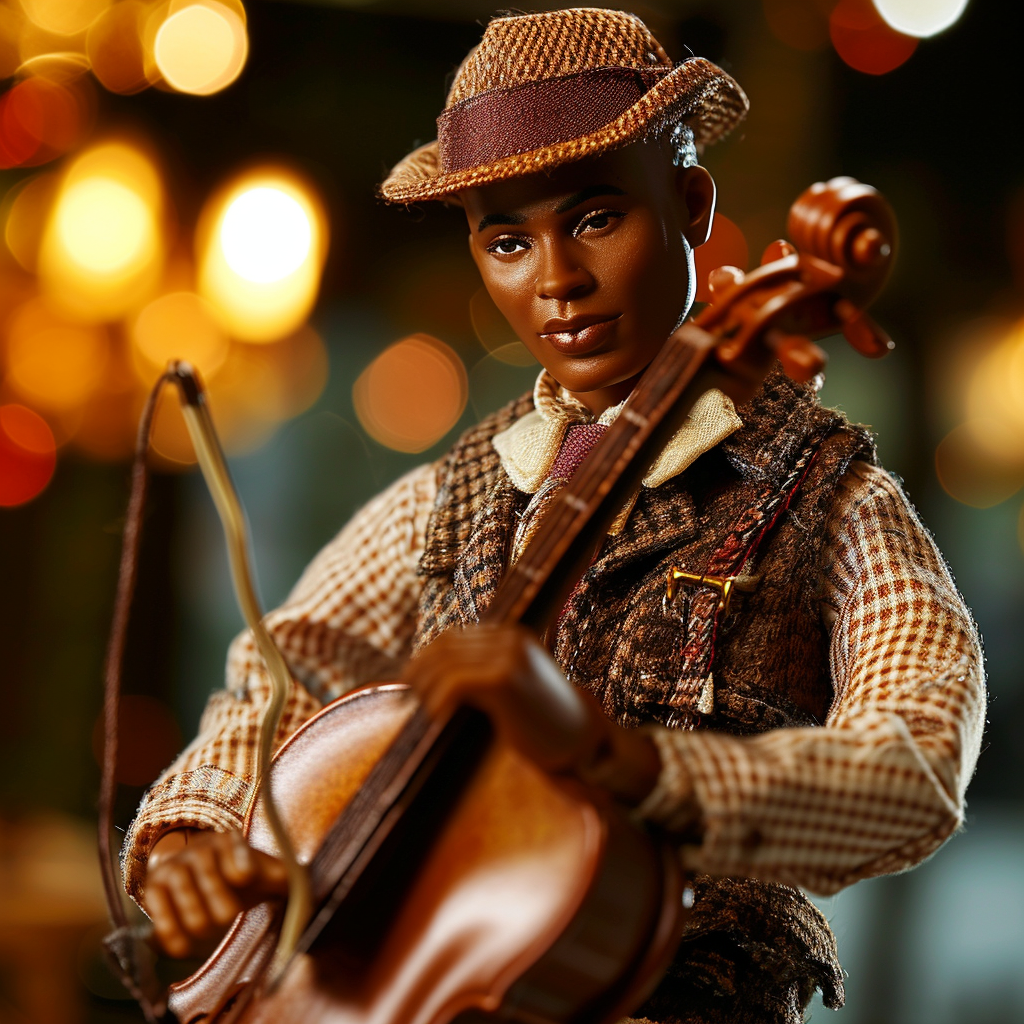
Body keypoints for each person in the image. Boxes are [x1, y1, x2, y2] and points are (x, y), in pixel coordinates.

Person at [124, 9, 986, 1023]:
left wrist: (619, 760)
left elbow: (914, 767)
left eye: (594, 218)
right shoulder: (452, 498)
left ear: (692, 201)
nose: (554, 281)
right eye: (505, 240)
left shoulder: (826, 495)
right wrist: (201, 830)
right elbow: (283, 677)